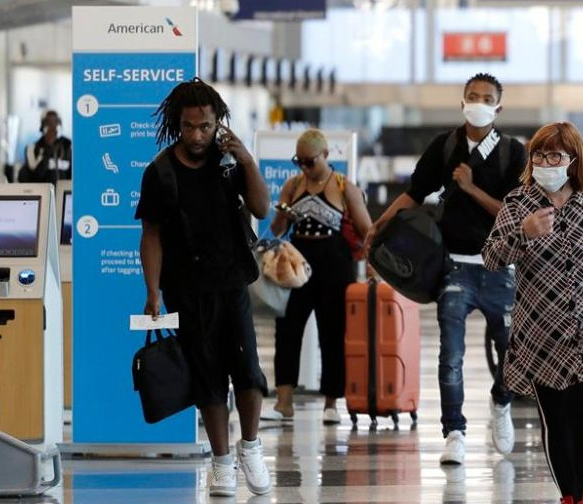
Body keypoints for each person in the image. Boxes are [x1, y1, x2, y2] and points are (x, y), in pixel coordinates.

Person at [364, 73, 527, 464]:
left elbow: (513, 212)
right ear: (462, 102)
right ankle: (454, 430)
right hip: (454, 267)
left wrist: (470, 189)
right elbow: (413, 193)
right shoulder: (445, 146)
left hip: (499, 266)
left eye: (487, 98)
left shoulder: (512, 154)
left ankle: (501, 402)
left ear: (498, 108)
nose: (479, 102)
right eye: (472, 96)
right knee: (450, 353)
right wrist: (378, 226)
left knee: (512, 352)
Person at [136, 79, 272, 498]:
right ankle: (222, 462)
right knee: (208, 379)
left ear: (219, 124)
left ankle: (250, 446)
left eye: (206, 127)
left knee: (248, 371)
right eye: (190, 127)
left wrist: (247, 160)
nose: (197, 136)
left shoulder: (229, 163)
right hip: (186, 289)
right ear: (178, 124)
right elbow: (152, 236)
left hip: (231, 282)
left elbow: (262, 208)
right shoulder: (160, 172)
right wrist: (153, 291)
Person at [482, 122, 583, 504]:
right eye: (539, 154)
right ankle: (568, 495)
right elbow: (492, 258)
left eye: (555, 155)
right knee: (556, 418)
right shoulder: (518, 204)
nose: (546, 162)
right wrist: (523, 234)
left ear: (573, 160)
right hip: (541, 331)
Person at [264, 129, 371, 425]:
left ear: (325, 155)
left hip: (334, 264)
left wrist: (374, 266)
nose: (304, 167)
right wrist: (283, 213)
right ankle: (284, 401)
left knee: (333, 332)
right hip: (298, 263)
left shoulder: (344, 187)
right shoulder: (292, 184)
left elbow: (366, 230)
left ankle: (331, 402)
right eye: (299, 161)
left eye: (310, 161)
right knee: (286, 329)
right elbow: (275, 231)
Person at [18, 110, 72, 184]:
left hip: (62, 193)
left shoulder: (68, 147)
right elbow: (35, 175)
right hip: (42, 192)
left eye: (55, 122)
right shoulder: (32, 148)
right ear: (42, 127)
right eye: (48, 123)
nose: (52, 126)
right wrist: (48, 147)